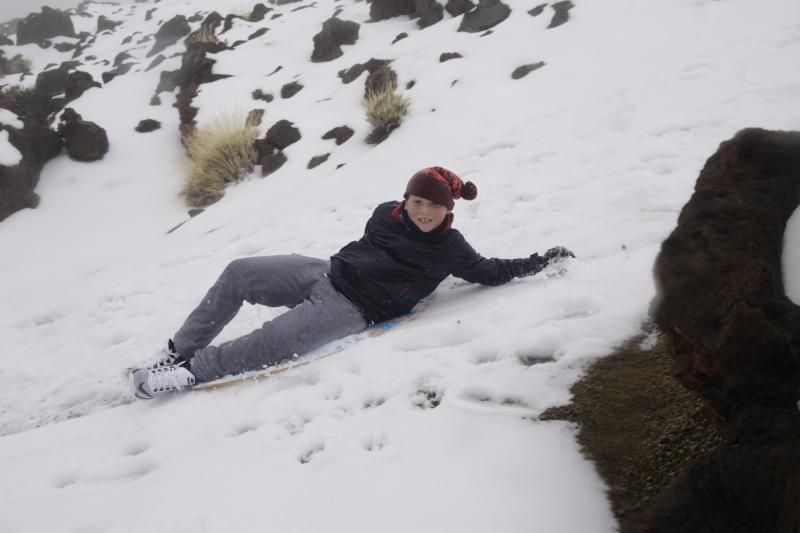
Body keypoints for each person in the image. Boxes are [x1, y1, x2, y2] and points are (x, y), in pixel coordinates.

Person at [129, 167, 574, 399]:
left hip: (354, 309)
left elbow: (490, 271)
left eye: (433, 207)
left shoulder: (451, 248)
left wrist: (538, 262)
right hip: (325, 271)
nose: (423, 212)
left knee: (268, 341)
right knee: (240, 271)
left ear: (447, 211)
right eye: (418, 201)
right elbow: (366, 244)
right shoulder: (385, 213)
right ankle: (176, 351)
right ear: (406, 199)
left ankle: (189, 373)